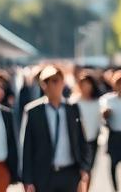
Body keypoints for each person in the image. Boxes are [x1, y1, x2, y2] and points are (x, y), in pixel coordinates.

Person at [20, 64, 92, 192]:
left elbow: (82, 140)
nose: (53, 85)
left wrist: (84, 167)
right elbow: (27, 147)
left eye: (56, 80)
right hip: (44, 175)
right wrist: (27, 179)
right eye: (48, 81)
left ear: (63, 83)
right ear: (43, 85)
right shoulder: (33, 111)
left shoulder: (72, 108)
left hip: (70, 173)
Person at [72, 70, 103, 176]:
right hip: (78, 141)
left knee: (89, 169)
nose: (85, 87)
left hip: (93, 141)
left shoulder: (97, 102)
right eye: (83, 84)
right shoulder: (74, 102)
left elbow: (99, 122)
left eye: (88, 84)